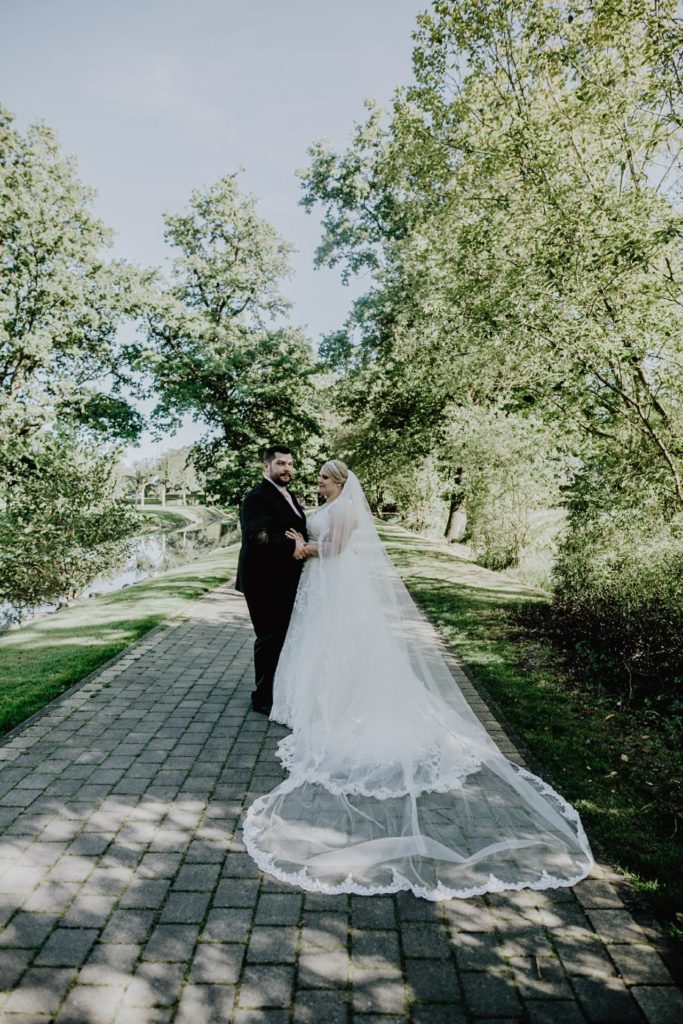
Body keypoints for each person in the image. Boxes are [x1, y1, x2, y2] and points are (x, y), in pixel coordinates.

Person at [242, 459, 594, 900]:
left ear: (342, 483)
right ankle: (307, 700)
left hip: (331, 580)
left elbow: (334, 549)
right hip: (318, 586)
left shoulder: (347, 510)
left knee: (338, 645)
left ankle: (342, 701)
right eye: (318, 478)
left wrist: (305, 547)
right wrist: (301, 541)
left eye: (325, 479)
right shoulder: (321, 504)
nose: (319, 483)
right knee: (315, 643)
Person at [235, 446, 308, 716]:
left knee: (281, 637)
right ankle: (262, 698)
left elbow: (295, 527)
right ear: (266, 467)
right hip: (263, 580)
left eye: (290, 463)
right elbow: (256, 537)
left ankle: (277, 689)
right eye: (281, 463)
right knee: (269, 637)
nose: (287, 468)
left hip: (284, 579)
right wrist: (292, 547)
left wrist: (304, 543)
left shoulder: (287, 495)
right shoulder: (257, 497)